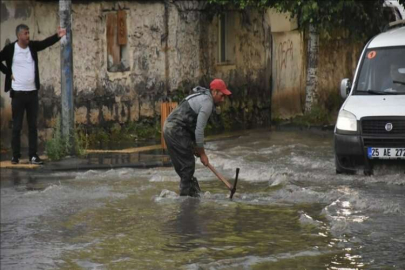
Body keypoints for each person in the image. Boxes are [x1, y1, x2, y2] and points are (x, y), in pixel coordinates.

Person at [0, 24, 66, 165]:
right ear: (19, 36)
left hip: (32, 94)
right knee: (17, 126)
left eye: (29, 33)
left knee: (32, 126)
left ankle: (33, 155)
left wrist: (57, 36)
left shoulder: (32, 47)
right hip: (17, 94)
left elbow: (44, 43)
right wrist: (7, 73)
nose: (28, 36)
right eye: (25, 33)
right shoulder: (11, 49)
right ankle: (15, 156)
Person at [163, 79, 232, 197]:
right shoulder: (207, 103)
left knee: (185, 169)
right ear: (214, 92)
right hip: (176, 131)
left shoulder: (201, 96)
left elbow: (189, 123)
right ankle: (186, 202)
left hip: (171, 129)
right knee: (187, 167)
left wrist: (195, 147)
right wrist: (203, 153)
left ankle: (191, 195)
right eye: (222, 95)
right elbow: (199, 131)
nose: (223, 99)